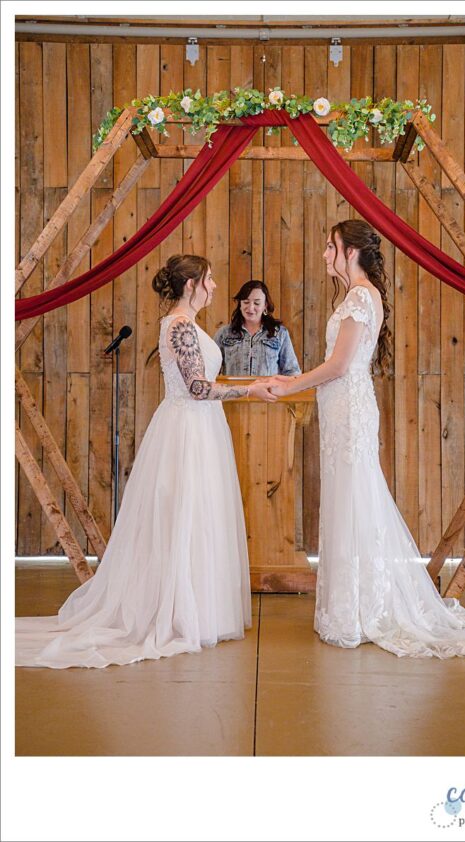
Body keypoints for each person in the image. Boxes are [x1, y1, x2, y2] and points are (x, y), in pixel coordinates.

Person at [15, 255, 277, 669]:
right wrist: (250, 391)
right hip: (186, 432)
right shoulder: (181, 326)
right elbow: (197, 388)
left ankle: (196, 607)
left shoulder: (183, 324)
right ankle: (178, 612)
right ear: (191, 285)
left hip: (200, 428)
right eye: (208, 280)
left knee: (197, 518)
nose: (213, 287)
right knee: (183, 517)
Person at [266, 220, 465, 661]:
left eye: (330, 247)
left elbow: (339, 365)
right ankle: (351, 605)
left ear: (351, 252)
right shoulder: (357, 295)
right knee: (346, 498)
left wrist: (290, 384)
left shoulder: (360, 297)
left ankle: (360, 610)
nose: (324, 255)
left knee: (354, 498)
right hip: (342, 407)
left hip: (349, 407)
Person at [214, 280, 301, 377]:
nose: (250, 308)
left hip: (270, 388)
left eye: (256, 303)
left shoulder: (280, 333)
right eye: (246, 302)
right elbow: (210, 369)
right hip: (233, 388)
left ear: (265, 305)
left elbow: (292, 372)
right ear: (240, 305)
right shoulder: (224, 333)